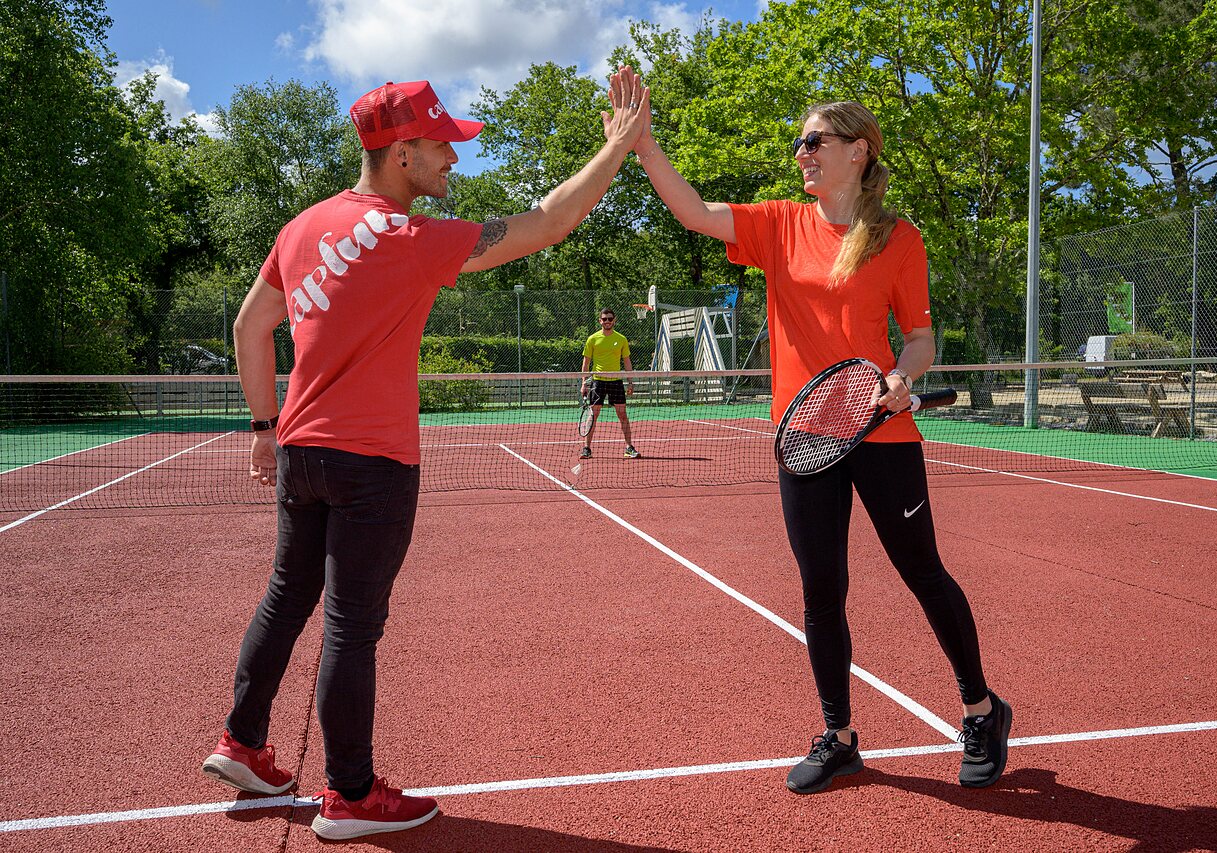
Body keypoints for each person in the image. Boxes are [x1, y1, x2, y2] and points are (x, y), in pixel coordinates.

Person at [200, 68, 649, 841]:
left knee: (287, 596)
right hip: (371, 459)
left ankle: (242, 742)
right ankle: (348, 795)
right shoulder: (409, 237)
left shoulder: (302, 228)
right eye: (443, 146)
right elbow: (547, 223)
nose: (454, 160)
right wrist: (616, 148)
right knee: (351, 622)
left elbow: (249, 326)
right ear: (402, 151)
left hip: (302, 450)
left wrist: (263, 427)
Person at [631, 99, 1010, 794]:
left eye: (815, 140)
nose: (801, 151)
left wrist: (902, 375)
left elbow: (920, 337)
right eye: (798, 140)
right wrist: (644, 146)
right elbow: (693, 211)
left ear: (859, 150)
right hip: (805, 437)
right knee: (820, 589)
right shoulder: (777, 223)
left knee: (923, 572)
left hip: (882, 432)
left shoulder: (900, 238)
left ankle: (982, 710)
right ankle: (838, 736)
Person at [579, 308, 640, 459]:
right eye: (604, 319)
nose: (607, 321)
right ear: (600, 321)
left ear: (614, 320)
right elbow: (586, 364)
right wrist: (584, 383)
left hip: (616, 382)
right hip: (598, 382)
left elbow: (627, 362)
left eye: (610, 319)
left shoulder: (621, 339)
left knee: (622, 415)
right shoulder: (592, 339)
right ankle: (587, 448)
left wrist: (630, 382)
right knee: (593, 415)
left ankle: (629, 448)